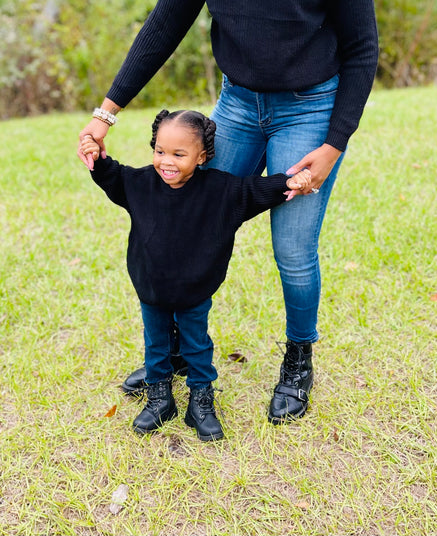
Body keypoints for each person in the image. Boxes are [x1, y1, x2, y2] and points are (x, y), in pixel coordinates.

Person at [78, 0, 378, 425]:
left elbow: (361, 52)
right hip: (238, 107)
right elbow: (165, 24)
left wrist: (332, 144)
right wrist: (108, 109)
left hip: (309, 111)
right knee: (190, 222)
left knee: (292, 248)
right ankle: (181, 357)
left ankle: (299, 357)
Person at [81, 108, 312, 440]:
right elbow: (112, 175)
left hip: (195, 291)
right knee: (156, 345)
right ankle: (160, 399)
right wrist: (96, 156)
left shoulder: (220, 190)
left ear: (201, 155)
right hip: (151, 289)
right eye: (160, 151)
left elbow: (254, 190)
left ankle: (200, 402)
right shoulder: (141, 183)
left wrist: (290, 182)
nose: (166, 161)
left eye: (178, 153)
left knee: (197, 347)